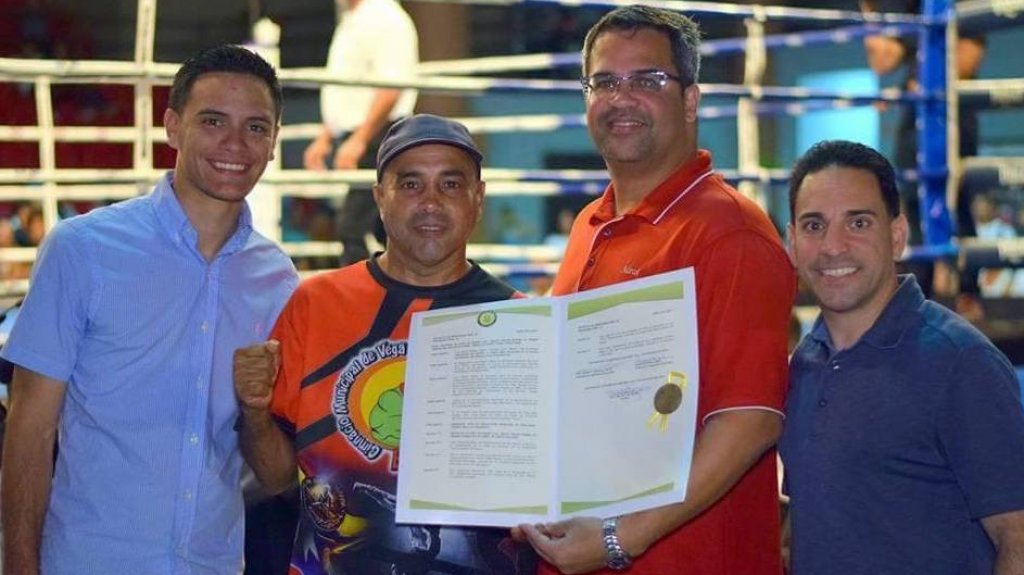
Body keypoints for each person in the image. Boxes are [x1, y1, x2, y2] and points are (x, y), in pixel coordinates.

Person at [516, 6, 796, 574]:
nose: (622, 98)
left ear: (691, 100)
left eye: (647, 80)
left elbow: (749, 419)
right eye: (605, 82)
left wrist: (621, 538)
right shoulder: (589, 225)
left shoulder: (730, 233)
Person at [0, 45, 299, 574]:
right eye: (213, 121)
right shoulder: (82, 249)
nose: (235, 143)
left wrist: (255, 411)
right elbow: (29, 430)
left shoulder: (277, 278)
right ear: (172, 127)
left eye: (256, 127)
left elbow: (275, 476)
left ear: (274, 142)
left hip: (214, 564)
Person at [235, 114, 539, 575]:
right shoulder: (316, 303)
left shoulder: (520, 321)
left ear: (478, 200)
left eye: (451, 185)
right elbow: (277, 478)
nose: (431, 203)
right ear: (380, 198)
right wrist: (255, 411)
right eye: (411, 185)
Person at [780, 139, 1024, 574]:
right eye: (814, 226)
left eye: (858, 222)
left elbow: (1017, 535)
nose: (833, 246)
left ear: (896, 236)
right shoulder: (802, 365)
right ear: (793, 242)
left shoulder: (958, 362)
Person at [860, 0, 987, 297]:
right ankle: (922, 294)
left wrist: (931, 84)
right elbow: (883, 61)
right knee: (912, 200)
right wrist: (869, 19)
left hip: (953, 116)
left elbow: (968, 61)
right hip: (917, 118)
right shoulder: (912, 8)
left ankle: (969, 292)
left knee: (960, 200)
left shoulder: (959, 6)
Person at [304, 0, 419, 265]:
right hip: (363, 134)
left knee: (354, 228)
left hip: (381, 134)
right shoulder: (352, 19)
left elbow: (391, 86)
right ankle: (395, 297)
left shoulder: (385, 17)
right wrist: (326, 135)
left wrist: (360, 138)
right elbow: (347, 86)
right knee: (382, 228)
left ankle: (365, 304)